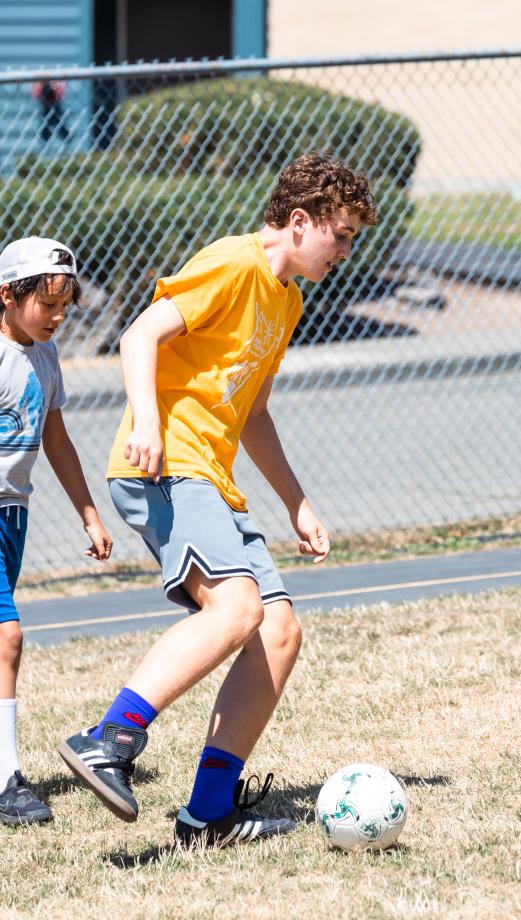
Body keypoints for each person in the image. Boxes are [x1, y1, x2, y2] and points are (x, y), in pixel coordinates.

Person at [58, 152, 377, 845]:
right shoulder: (234, 263)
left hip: (214, 478)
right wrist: (146, 419)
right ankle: (108, 740)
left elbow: (254, 414)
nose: (347, 251)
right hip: (167, 465)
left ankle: (207, 815)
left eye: (354, 238)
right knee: (236, 608)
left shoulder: (287, 299)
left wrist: (297, 502)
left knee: (278, 630)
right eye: (341, 234)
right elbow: (141, 333)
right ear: (300, 222)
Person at [0, 237, 112, 825]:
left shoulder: (45, 357)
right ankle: (7, 783)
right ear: (8, 296)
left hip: (12, 515)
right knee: (7, 638)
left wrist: (88, 512)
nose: (60, 315)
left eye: (66, 303)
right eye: (48, 303)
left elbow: (57, 439)